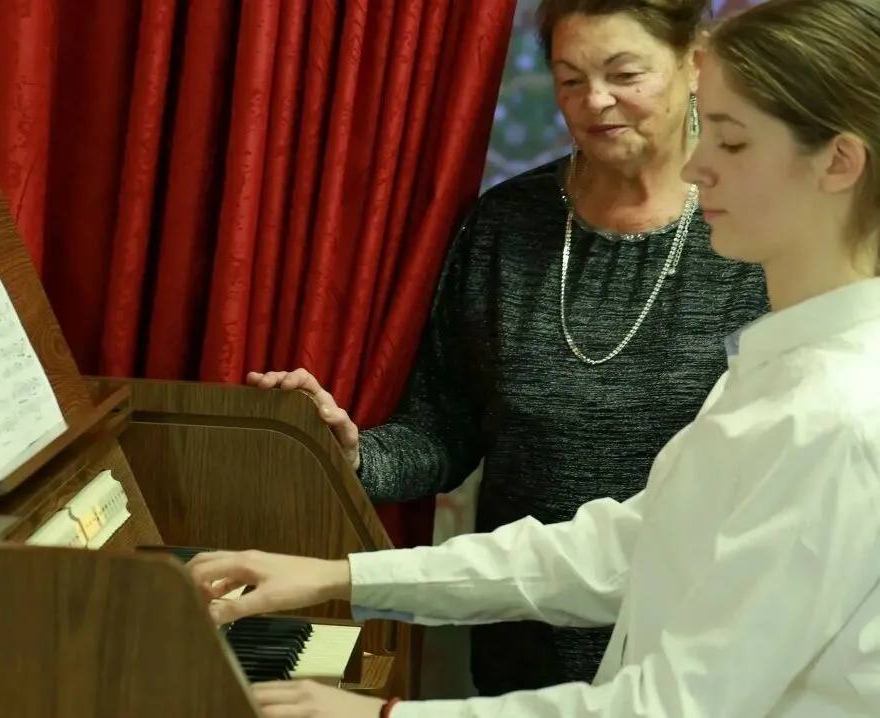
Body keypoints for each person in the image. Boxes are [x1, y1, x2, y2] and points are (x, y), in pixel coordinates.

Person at [195, 0, 880, 714]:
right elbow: (623, 550)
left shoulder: (840, 414)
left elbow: (675, 706)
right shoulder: (779, 369)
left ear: (839, 162)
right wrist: (338, 576)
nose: (699, 164)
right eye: (570, 78)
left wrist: (387, 712)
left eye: (731, 142)